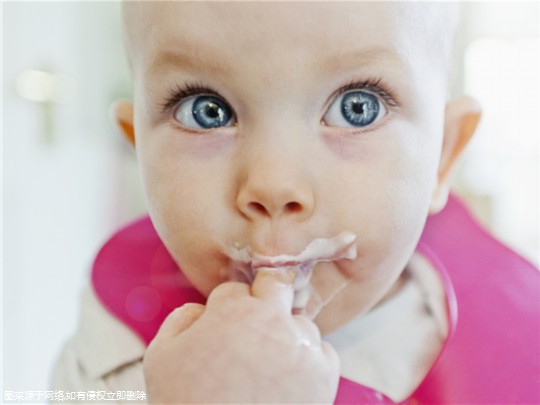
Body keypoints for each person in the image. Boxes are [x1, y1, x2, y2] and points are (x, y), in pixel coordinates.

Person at [52, 2, 540, 403]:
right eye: (206, 111)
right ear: (141, 153)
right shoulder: (109, 363)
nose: (273, 184)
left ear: (442, 156)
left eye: (357, 108)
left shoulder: (519, 346)